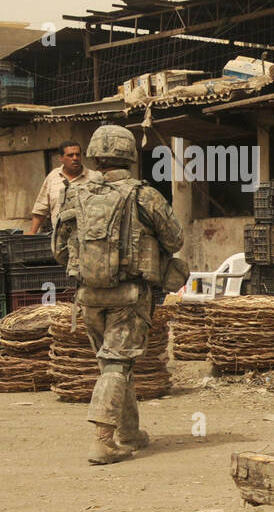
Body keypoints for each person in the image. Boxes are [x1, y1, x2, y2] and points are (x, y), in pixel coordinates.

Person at [53, 124, 184, 465]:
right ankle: (102, 441)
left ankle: (128, 433)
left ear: (94, 156)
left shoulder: (76, 194)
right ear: (129, 155)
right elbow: (175, 240)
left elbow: (58, 249)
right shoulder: (144, 195)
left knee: (112, 363)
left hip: (88, 295)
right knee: (117, 362)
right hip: (130, 294)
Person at [29, 141, 100, 234]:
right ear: (61, 158)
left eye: (77, 155)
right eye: (70, 155)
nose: (75, 158)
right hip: (60, 239)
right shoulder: (53, 177)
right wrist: (32, 232)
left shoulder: (95, 178)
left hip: (89, 237)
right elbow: (41, 209)